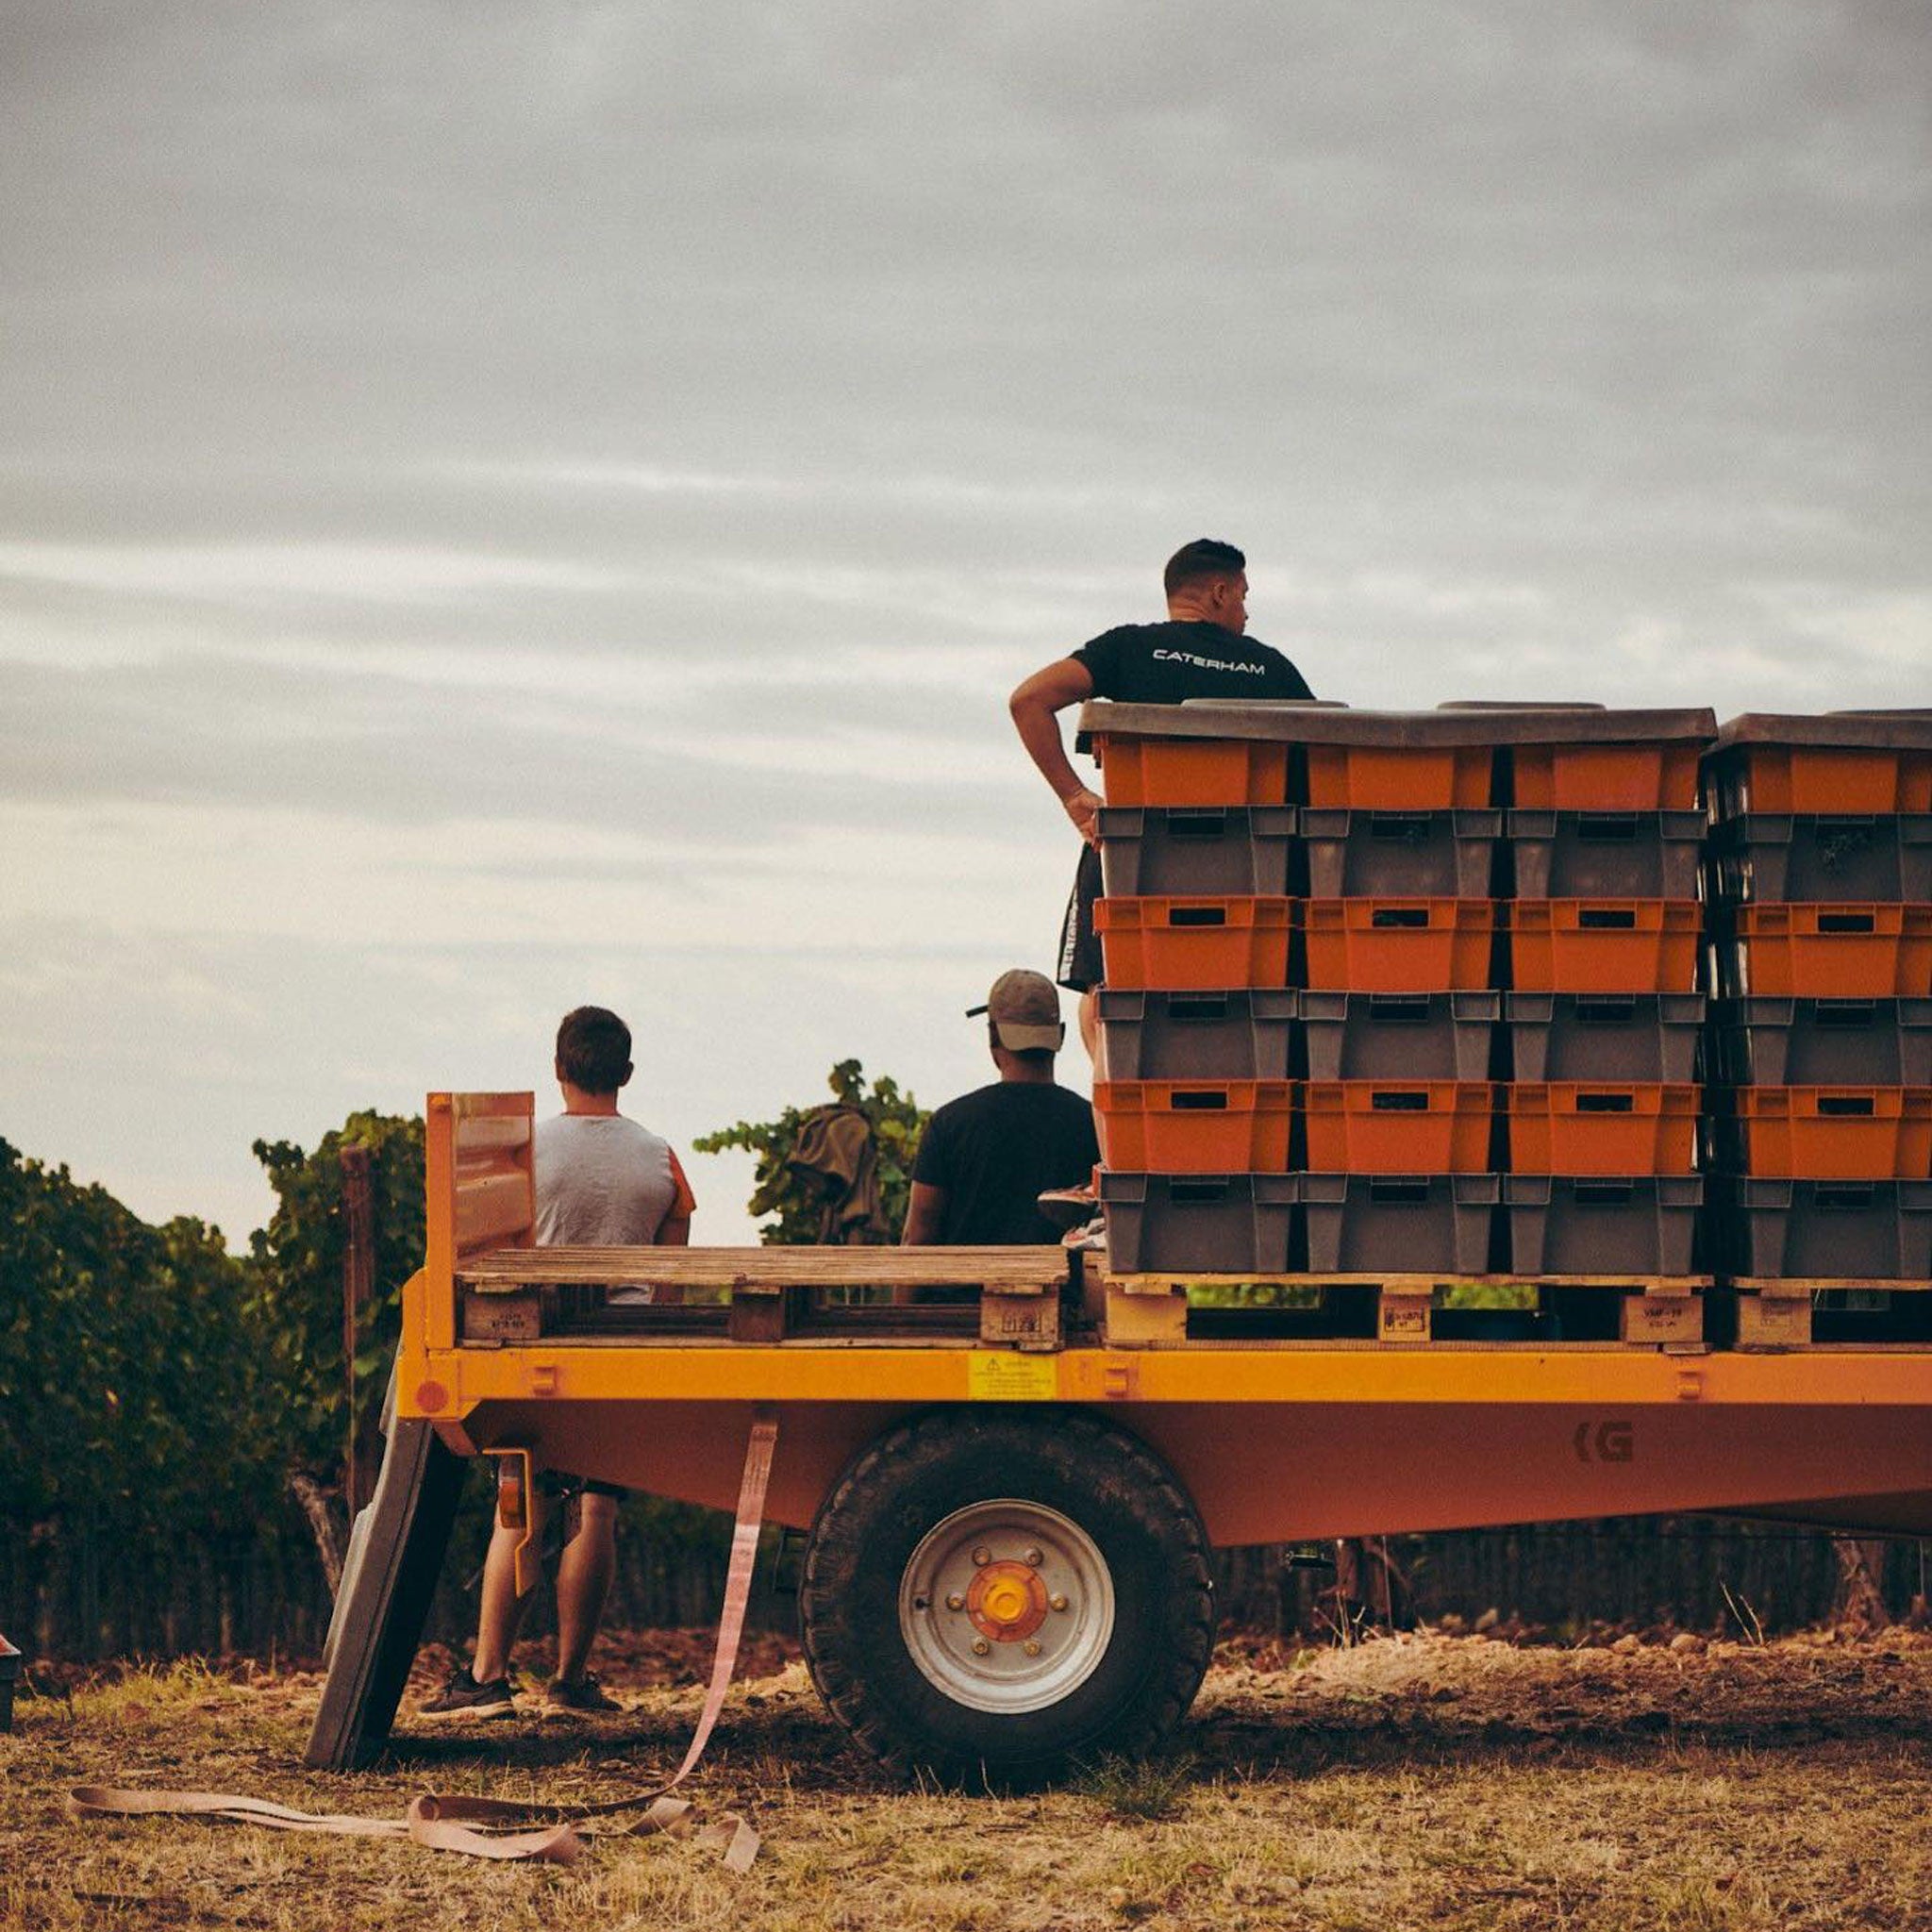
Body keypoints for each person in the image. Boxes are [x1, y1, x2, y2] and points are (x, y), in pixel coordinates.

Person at [423, 1005, 694, 1720]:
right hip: (620, 1350)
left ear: (558, 1068)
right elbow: (670, 1277)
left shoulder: (525, 1154)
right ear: (626, 1073)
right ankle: (571, 1681)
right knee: (597, 1505)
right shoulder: (661, 1159)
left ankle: (487, 1677)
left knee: (519, 1502)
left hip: (535, 1351)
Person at [1008, 539, 1316, 1074]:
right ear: (1219, 593)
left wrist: (1074, 796)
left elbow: (1027, 700)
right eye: (1243, 596)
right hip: (1244, 874)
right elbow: (1322, 761)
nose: (1247, 612)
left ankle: (1120, 1114)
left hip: (1134, 862)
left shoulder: (1128, 648)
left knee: (1107, 997)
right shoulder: (1270, 669)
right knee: (1243, 1002)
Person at [901, 970, 1100, 1246]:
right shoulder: (1095, 1125)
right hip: (1064, 1276)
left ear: (993, 1036)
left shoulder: (948, 1125)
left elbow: (917, 1237)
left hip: (965, 1277)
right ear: (1061, 1035)